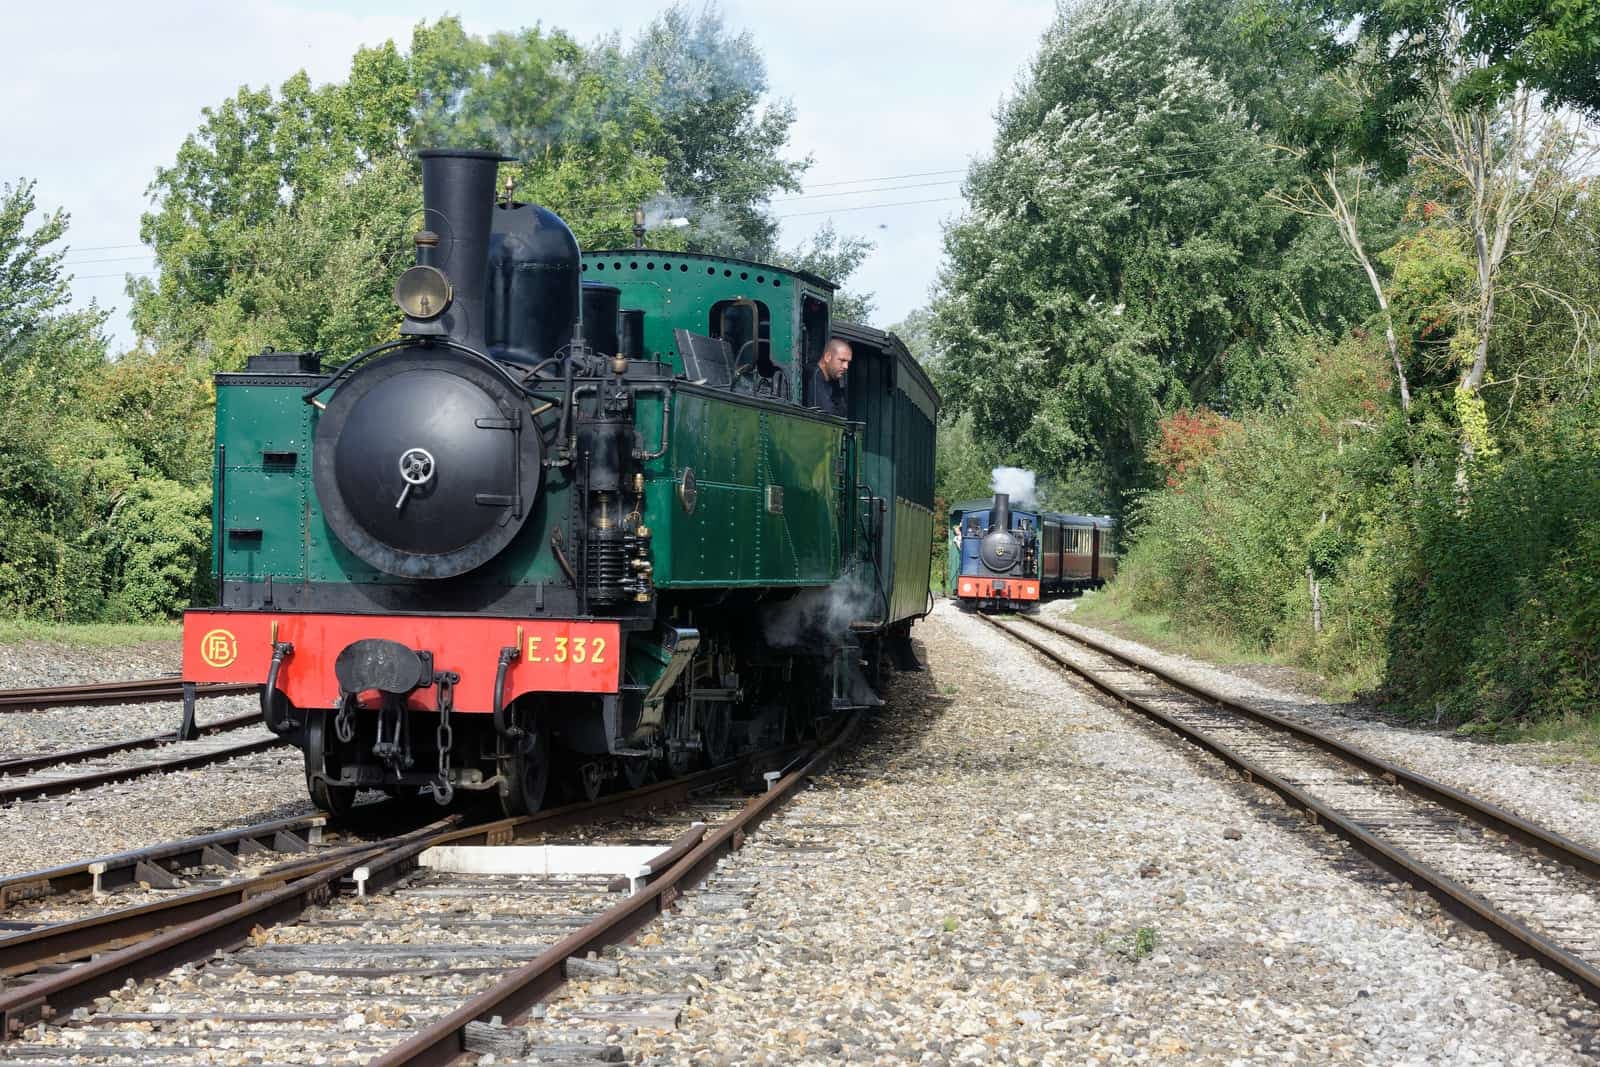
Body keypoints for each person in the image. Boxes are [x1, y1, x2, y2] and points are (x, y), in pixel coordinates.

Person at [809, 338, 852, 416]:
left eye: (848, 362)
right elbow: (826, 414)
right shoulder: (814, 374)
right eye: (842, 360)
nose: (846, 366)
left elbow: (842, 412)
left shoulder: (834, 380)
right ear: (827, 357)